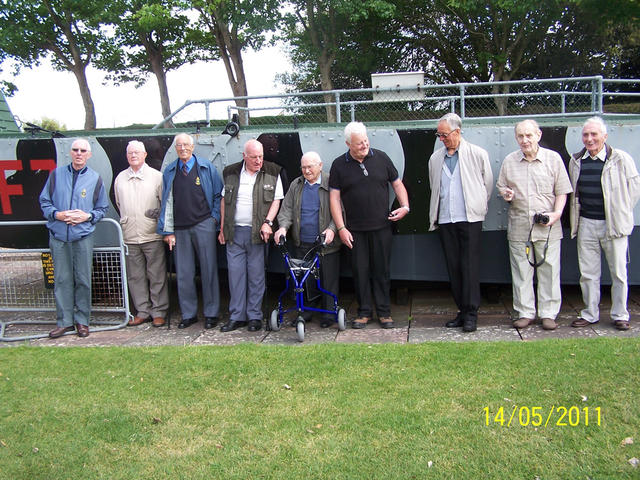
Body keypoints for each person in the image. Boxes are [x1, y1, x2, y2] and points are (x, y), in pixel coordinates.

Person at [329, 121, 410, 329]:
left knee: (381, 271)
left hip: (382, 227)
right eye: (359, 143)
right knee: (360, 271)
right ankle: (364, 312)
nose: (364, 145)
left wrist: (405, 206)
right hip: (354, 230)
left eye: (365, 140)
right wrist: (341, 228)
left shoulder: (381, 157)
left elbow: (397, 183)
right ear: (348, 144)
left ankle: (384, 313)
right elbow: (334, 199)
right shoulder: (339, 165)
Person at [497, 120, 572, 330]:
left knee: (549, 270)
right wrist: (506, 194)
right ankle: (525, 312)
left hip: (548, 227)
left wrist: (557, 214)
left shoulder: (553, 159)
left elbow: (562, 191)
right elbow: (501, 187)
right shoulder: (509, 161)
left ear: (538, 135)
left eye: (529, 135)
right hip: (520, 226)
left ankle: (548, 314)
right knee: (521, 271)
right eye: (520, 136)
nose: (525, 140)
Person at [568, 116, 640, 331]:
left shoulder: (620, 159)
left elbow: (634, 189)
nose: (589, 139)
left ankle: (620, 314)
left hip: (613, 224)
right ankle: (590, 314)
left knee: (618, 272)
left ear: (604, 136)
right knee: (588, 273)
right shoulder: (576, 161)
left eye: (594, 134)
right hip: (587, 223)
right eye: (586, 135)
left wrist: (620, 211)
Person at [428, 113, 493, 333]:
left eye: (444, 135)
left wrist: (478, 206)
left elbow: (487, 185)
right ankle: (462, 311)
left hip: (470, 219)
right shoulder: (436, 159)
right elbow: (434, 186)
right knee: (453, 267)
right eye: (439, 135)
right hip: (446, 219)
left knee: (470, 267)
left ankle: (472, 314)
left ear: (457, 132)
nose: (441, 139)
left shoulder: (477, 154)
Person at [39, 138, 109, 338]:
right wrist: (56, 215)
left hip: (83, 236)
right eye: (75, 150)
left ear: (89, 154)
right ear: (70, 153)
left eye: (83, 150)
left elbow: (102, 208)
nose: (79, 153)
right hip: (59, 236)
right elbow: (44, 201)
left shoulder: (95, 179)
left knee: (83, 279)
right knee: (61, 279)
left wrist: (88, 216)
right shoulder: (56, 175)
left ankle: (82, 321)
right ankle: (64, 322)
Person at [157, 133, 223, 329]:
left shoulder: (206, 167)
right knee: (184, 274)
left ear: (193, 147)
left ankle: (211, 313)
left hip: (204, 224)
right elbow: (165, 203)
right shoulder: (170, 171)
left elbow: (219, 195)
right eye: (179, 145)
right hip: (179, 229)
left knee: (209, 270)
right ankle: (189, 314)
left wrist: (214, 220)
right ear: (175, 148)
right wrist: (167, 231)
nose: (183, 148)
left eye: (186, 144)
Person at [218, 139, 284, 332]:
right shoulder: (230, 172)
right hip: (234, 232)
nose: (258, 160)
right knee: (235, 275)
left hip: (257, 232)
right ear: (244, 156)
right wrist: (222, 228)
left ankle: (255, 316)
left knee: (256, 276)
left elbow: (276, 201)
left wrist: (268, 222)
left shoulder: (273, 171)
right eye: (254, 157)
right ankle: (237, 316)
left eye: (261, 156)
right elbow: (224, 201)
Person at [274, 151, 340, 328]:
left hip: (326, 243)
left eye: (310, 166)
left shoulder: (331, 182)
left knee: (328, 280)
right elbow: (286, 210)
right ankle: (306, 311)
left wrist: (333, 229)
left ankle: (328, 314)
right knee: (305, 281)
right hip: (301, 242)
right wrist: (282, 227)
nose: (306, 171)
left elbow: (340, 211)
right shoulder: (297, 184)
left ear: (320, 165)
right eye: (303, 167)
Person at [114, 140, 169, 328]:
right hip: (129, 234)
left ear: (145, 155)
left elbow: (164, 204)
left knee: (157, 275)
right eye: (130, 153)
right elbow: (119, 203)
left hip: (151, 233)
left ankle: (159, 311)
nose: (133, 156)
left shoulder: (157, 177)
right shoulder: (120, 178)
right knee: (135, 276)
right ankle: (142, 311)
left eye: (137, 152)